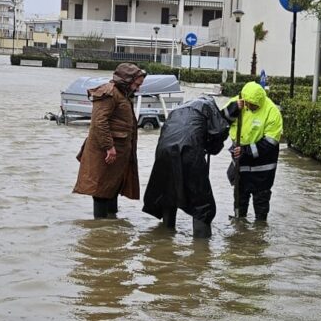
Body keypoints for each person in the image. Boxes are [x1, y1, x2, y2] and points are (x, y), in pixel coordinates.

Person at [142, 96, 231, 238]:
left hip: (163, 151)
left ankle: (166, 235)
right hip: (189, 151)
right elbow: (220, 131)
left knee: (168, 194)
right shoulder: (208, 105)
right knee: (202, 203)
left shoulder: (177, 110)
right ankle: (201, 244)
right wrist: (212, 147)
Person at [73, 63, 147, 218]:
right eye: (137, 84)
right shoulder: (109, 93)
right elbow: (99, 122)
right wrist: (109, 146)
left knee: (112, 187)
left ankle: (111, 224)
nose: (138, 89)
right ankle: (100, 227)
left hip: (117, 152)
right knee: (101, 189)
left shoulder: (122, 94)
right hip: (105, 152)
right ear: (126, 81)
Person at [223, 82, 283, 221]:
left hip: (262, 166)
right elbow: (221, 120)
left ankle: (260, 228)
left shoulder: (272, 112)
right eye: (248, 104)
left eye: (253, 106)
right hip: (241, 162)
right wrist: (233, 109)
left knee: (261, 201)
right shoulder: (238, 102)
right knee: (240, 197)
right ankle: (240, 225)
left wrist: (245, 151)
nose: (249, 107)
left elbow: (270, 142)